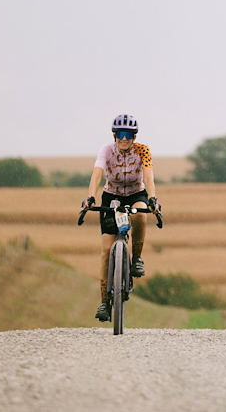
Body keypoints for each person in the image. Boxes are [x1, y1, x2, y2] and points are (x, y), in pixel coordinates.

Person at [83, 113, 160, 322]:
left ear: (134, 136)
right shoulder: (107, 150)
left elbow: (148, 175)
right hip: (111, 196)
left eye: (128, 134)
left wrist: (152, 198)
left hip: (136, 194)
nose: (123, 138)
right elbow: (97, 174)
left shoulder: (142, 150)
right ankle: (104, 303)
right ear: (114, 135)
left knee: (140, 216)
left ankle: (136, 258)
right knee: (107, 251)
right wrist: (91, 196)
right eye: (119, 134)